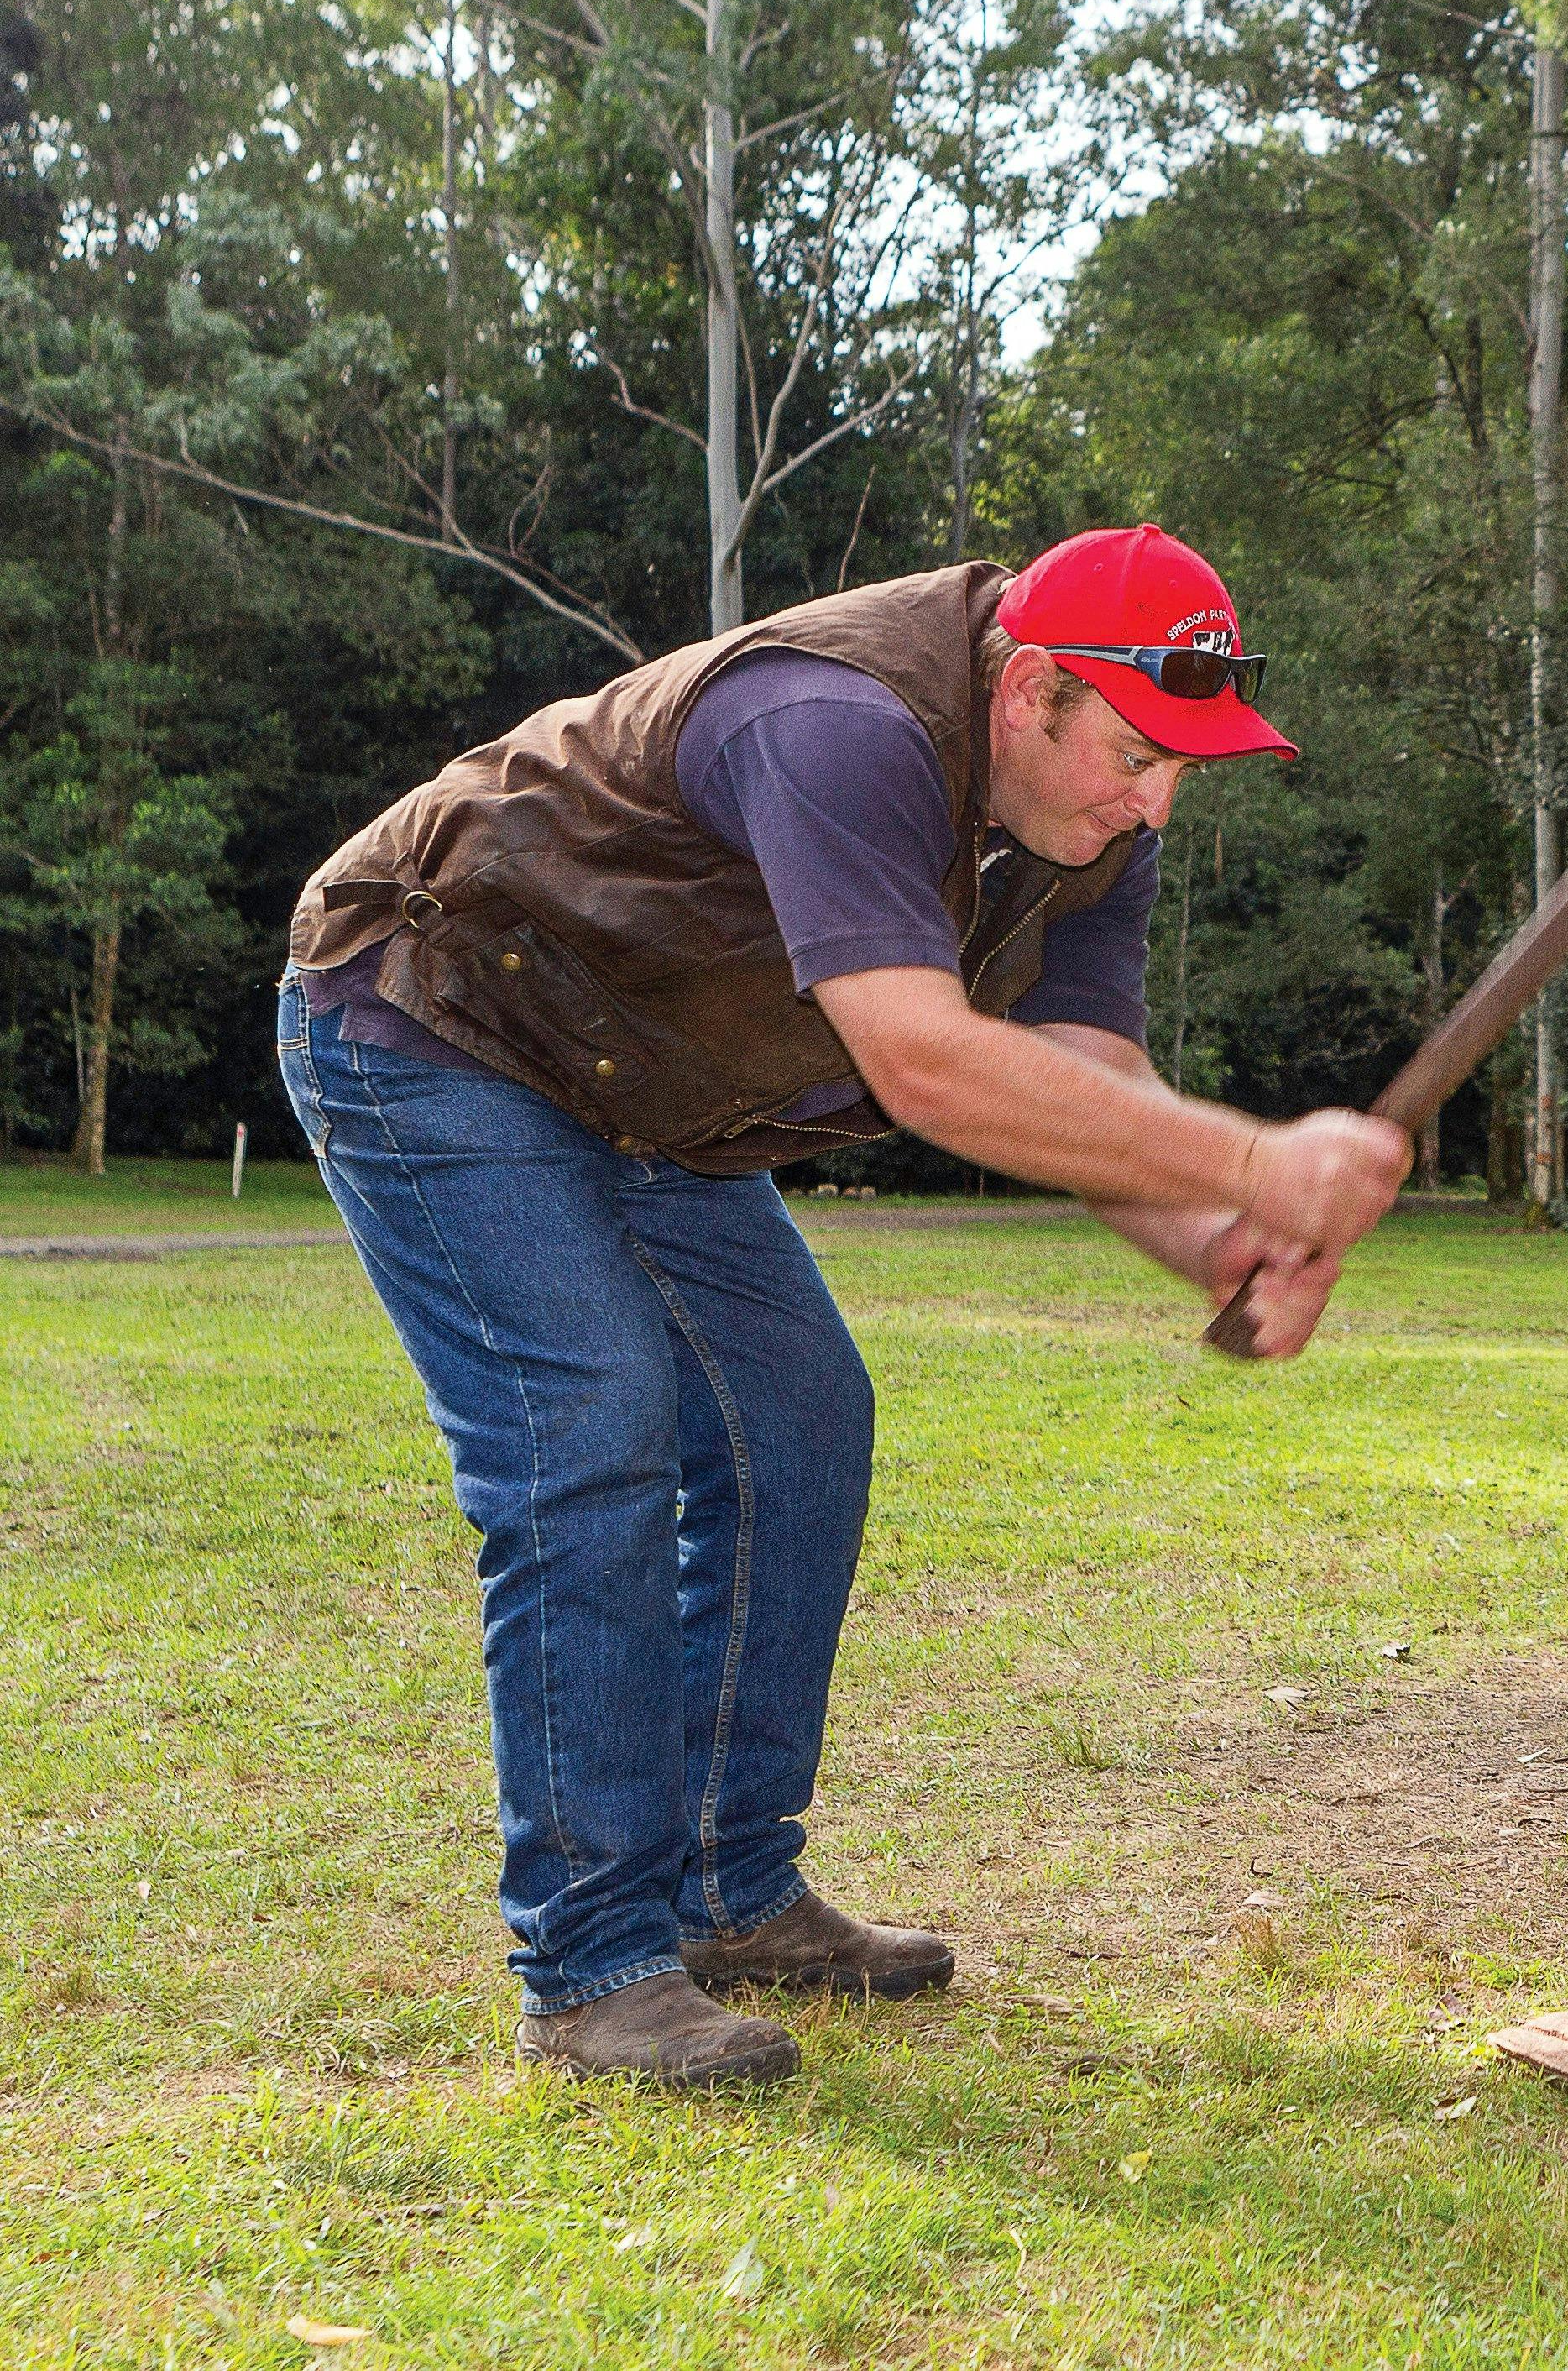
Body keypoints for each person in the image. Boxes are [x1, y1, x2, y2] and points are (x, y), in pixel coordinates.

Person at [276, 526, 1409, 2087]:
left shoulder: (1092, 836)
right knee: (589, 1427)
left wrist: (1220, 1235)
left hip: (652, 1093)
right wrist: (1265, 1160)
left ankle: (731, 1895)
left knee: (800, 1418)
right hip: (437, 1018)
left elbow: (1088, 1081)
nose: (1154, 802)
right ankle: (593, 1969)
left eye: (1182, 770)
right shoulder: (840, 722)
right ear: (1030, 691)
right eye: (1139, 755)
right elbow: (925, 1059)